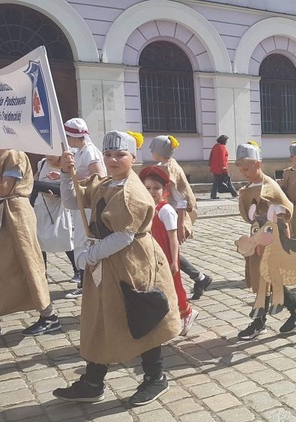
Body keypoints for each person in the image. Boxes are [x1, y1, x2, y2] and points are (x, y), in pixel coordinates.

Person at [54, 131, 181, 405]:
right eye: (108, 154)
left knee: (141, 315)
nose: (112, 159)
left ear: (133, 157)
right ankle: (92, 381)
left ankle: (155, 377)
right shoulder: (106, 183)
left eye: (120, 154)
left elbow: (123, 235)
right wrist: (67, 174)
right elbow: (71, 201)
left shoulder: (131, 192)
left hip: (131, 261)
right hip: (107, 260)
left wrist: (89, 256)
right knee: (102, 317)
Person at [234, 142, 296, 341]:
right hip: (257, 240)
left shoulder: (270, 187)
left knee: (268, 279)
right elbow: (250, 216)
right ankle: (292, 313)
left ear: (258, 164)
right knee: (264, 280)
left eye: (247, 168)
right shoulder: (249, 188)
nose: (244, 173)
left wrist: (272, 242)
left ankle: (262, 322)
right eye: (241, 169)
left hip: (270, 241)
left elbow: (286, 211)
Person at [0, 149, 61, 336]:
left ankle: (49, 316)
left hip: (16, 214)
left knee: (29, 262)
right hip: (1, 212)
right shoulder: (1, 156)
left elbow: (5, 188)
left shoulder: (14, 155)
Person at [149, 135, 213, 300]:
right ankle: (200, 278)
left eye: (152, 149)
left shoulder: (171, 169)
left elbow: (181, 199)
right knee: (165, 251)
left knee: (168, 252)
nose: (150, 151)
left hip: (171, 218)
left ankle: (195, 279)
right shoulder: (162, 166)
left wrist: (179, 226)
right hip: (161, 217)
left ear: (158, 150)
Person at [139, 166, 198, 336]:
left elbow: (173, 238)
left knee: (174, 285)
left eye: (156, 188)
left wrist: (174, 261)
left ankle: (187, 312)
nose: (152, 192)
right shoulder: (148, 207)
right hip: (152, 254)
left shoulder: (165, 210)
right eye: (148, 188)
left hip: (166, 255)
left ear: (164, 190)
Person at [63, 118, 106, 299]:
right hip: (82, 201)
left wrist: (76, 177)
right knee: (81, 240)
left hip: (89, 202)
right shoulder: (80, 151)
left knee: (86, 241)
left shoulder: (89, 151)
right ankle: (86, 281)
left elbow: (99, 176)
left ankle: (87, 283)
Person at [33, 155, 77, 277]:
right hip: (42, 205)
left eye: (52, 154)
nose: (49, 157)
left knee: (64, 238)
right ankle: (43, 272)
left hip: (59, 207)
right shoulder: (42, 163)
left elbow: (70, 186)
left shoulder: (66, 165)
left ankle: (77, 270)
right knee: (40, 240)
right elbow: (35, 181)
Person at [209, 135, 238, 199]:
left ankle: (213, 195)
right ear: (223, 141)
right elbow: (222, 159)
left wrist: (210, 164)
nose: (226, 142)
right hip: (221, 168)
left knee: (216, 182)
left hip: (215, 167)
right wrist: (224, 168)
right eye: (226, 140)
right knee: (228, 181)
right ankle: (234, 193)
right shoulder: (222, 147)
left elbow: (211, 156)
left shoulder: (215, 146)